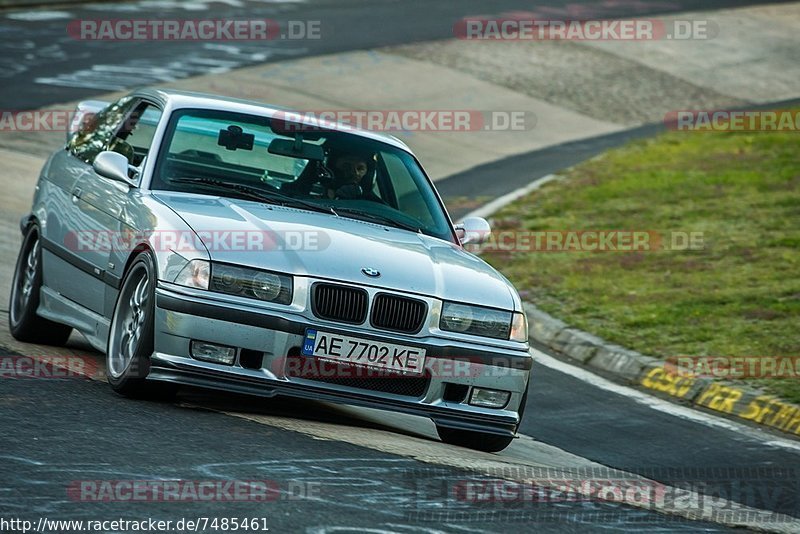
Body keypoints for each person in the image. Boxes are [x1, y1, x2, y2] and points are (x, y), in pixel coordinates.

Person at [282, 149, 382, 202]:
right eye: (346, 166)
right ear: (329, 168)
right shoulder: (294, 199)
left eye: (360, 168)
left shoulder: (374, 208)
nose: (354, 173)